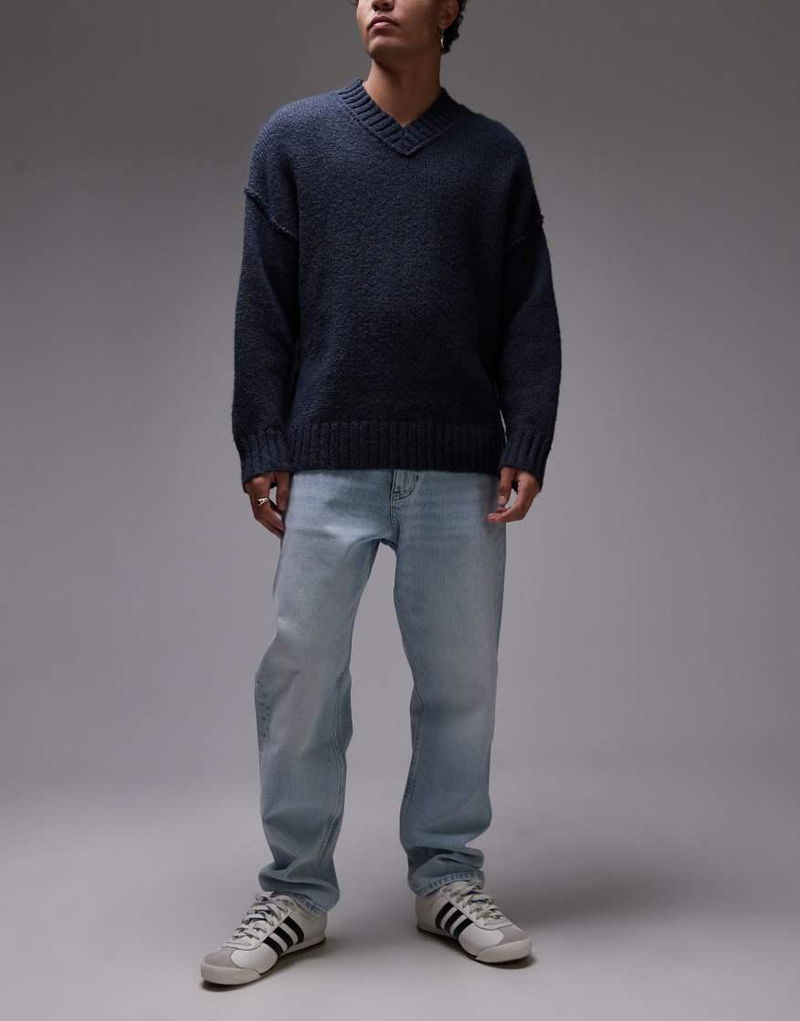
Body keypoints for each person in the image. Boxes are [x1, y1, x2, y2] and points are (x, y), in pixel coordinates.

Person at [201, 0, 562, 985]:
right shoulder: (296, 142)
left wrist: (527, 435)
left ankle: (446, 875)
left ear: (450, 8)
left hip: (458, 463)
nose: (378, 0)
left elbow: (527, 309)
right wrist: (261, 439)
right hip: (327, 458)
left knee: (460, 683)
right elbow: (262, 302)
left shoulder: (491, 157)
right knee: (299, 676)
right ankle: (294, 890)